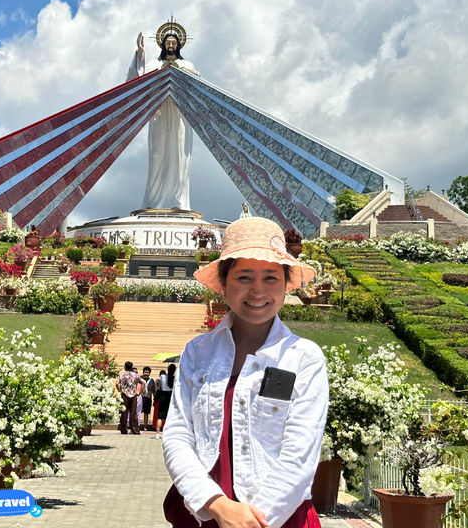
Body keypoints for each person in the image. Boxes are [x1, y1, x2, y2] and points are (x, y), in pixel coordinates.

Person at [162, 216, 328, 528]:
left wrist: (252, 523)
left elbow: (299, 455)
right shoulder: (199, 353)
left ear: (285, 283)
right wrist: (216, 505)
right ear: (223, 284)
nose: (257, 291)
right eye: (243, 278)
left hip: (278, 519)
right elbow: (177, 434)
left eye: (270, 278)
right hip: (207, 516)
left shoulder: (303, 358)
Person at [127, 22, 200, 211]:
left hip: (179, 114)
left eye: (173, 42)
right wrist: (140, 53)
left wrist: (184, 71)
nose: (170, 45)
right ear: (162, 44)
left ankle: (178, 202)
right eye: (167, 42)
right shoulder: (155, 64)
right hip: (159, 112)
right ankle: (153, 201)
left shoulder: (186, 64)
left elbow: (197, 81)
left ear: (179, 45)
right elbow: (138, 78)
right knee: (157, 154)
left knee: (180, 156)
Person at [115, 361, 141, 435]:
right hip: (133, 396)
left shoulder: (122, 375)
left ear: (125, 367)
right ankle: (135, 429)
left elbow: (117, 383)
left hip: (125, 395)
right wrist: (139, 392)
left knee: (124, 413)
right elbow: (143, 382)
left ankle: (123, 430)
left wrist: (120, 390)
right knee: (133, 413)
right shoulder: (135, 375)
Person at [155, 362, 176, 439]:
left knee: (160, 416)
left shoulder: (162, 376)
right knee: (169, 416)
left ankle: (157, 434)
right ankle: (167, 434)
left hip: (163, 396)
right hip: (170, 397)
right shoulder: (175, 379)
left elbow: (157, 384)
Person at [140, 366, 156, 431]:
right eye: (145, 372)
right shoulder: (140, 379)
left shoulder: (151, 381)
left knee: (146, 413)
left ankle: (145, 426)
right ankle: (136, 425)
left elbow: (153, 390)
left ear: (149, 373)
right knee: (138, 412)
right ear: (143, 372)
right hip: (140, 398)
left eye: (148, 372)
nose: (146, 374)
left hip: (148, 398)